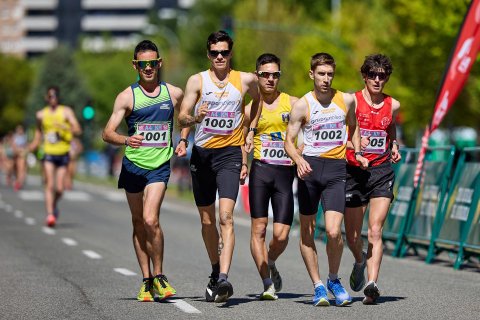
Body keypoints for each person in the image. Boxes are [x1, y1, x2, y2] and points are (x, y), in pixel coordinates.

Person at [102, 40, 189, 302]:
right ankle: (146, 279)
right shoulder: (127, 97)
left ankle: (160, 276)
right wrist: (127, 140)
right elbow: (106, 133)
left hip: (159, 167)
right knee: (138, 222)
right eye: (143, 64)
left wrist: (183, 139)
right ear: (135, 66)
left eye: (152, 63)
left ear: (159, 63)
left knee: (151, 219)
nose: (148, 68)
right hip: (132, 167)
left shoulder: (173, 93)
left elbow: (186, 116)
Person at [178, 30, 261, 303]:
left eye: (224, 52)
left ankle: (224, 278)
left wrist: (249, 128)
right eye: (215, 53)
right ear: (208, 55)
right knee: (207, 219)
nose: (220, 57)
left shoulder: (246, 80)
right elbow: (182, 116)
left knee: (226, 216)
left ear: (231, 53)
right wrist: (195, 117)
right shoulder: (197, 81)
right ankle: (215, 269)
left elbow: (258, 100)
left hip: (229, 155)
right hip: (202, 156)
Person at [284, 53, 368, 307]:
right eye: (321, 74)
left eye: (330, 74)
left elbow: (353, 127)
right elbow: (288, 141)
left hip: (335, 170)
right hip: (310, 169)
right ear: (312, 75)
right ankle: (318, 285)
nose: (326, 79)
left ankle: (333, 279)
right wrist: (299, 160)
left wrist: (358, 151)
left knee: (333, 231)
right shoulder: (302, 105)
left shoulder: (346, 100)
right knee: (307, 232)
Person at [344, 54, 401, 305]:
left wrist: (395, 143)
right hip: (354, 171)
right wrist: (354, 144)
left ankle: (371, 284)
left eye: (382, 76)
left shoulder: (393, 105)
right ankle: (359, 260)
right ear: (364, 76)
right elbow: (335, 136)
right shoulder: (351, 102)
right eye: (373, 75)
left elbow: (390, 128)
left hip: (381, 171)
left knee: (375, 230)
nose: (377, 80)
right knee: (353, 236)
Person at [245, 53, 299, 300]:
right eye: (265, 74)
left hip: (285, 174)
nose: (270, 79)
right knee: (259, 228)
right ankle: (267, 281)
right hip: (261, 171)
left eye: (275, 75)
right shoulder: (249, 108)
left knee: (281, 235)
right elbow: (238, 139)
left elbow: (314, 128)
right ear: (257, 75)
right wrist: (241, 163)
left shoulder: (294, 103)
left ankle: (272, 260)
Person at [29, 86, 82, 227]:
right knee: (49, 185)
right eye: (51, 96)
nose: (53, 98)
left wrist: (66, 128)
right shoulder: (40, 115)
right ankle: (50, 215)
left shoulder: (66, 112)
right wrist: (34, 144)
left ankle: (53, 204)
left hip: (63, 153)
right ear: (47, 98)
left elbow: (78, 129)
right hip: (48, 152)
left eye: (55, 96)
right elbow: (38, 132)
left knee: (59, 189)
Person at [12, 125, 28, 191]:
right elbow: (13, 145)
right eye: (18, 129)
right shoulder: (15, 137)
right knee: (16, 169)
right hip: (16, 154)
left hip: (22, 155)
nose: (20, 131)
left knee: (21, 169)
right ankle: (17, 180)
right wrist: (17, 150)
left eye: (21, 129)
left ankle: (19, 183)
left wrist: (24, 151)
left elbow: (26, 145)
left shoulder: (24, 137)